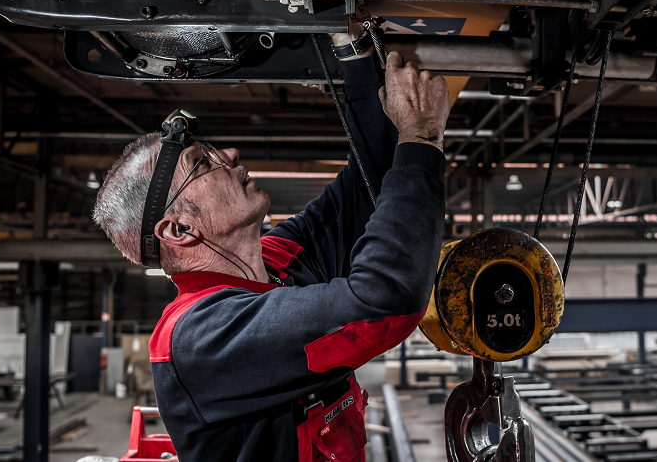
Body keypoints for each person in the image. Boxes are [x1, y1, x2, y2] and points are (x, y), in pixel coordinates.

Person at [91, 24, 451, 461]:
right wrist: (422, 139)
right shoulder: (200, 337)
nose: (230, 155)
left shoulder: (277, 262)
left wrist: (355, 57)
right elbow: (383, 303)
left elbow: (367, 183)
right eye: (201, 162)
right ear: (179, 230)